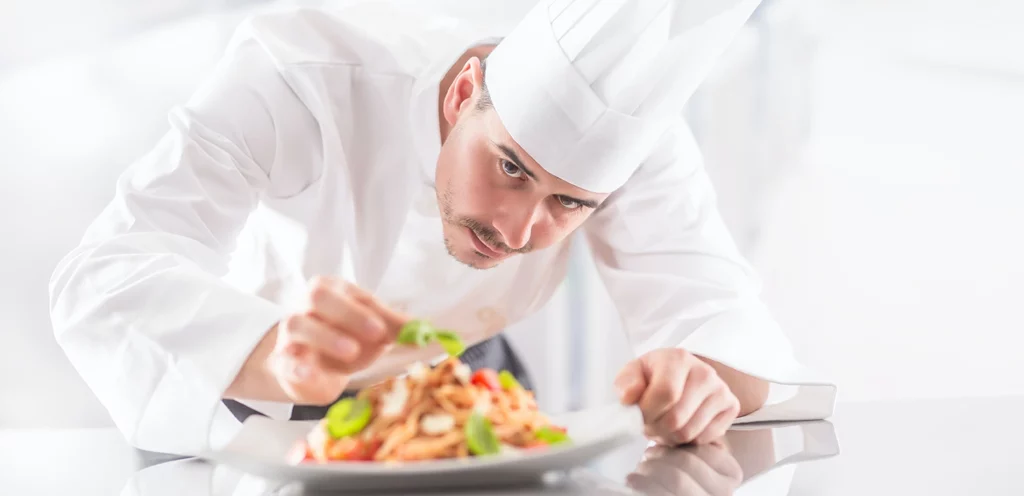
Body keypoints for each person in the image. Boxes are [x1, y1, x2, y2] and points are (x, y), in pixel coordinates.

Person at [49, 0, 836, 457]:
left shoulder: (635, 147)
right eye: (512, 168)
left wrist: (701, 378)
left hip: (471, 393)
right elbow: (102, 276)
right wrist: (279, 358)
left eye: (570, 204)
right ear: (465, 94)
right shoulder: (295, 73)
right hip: (259, 402)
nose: (521, 228)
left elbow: (714, 309)